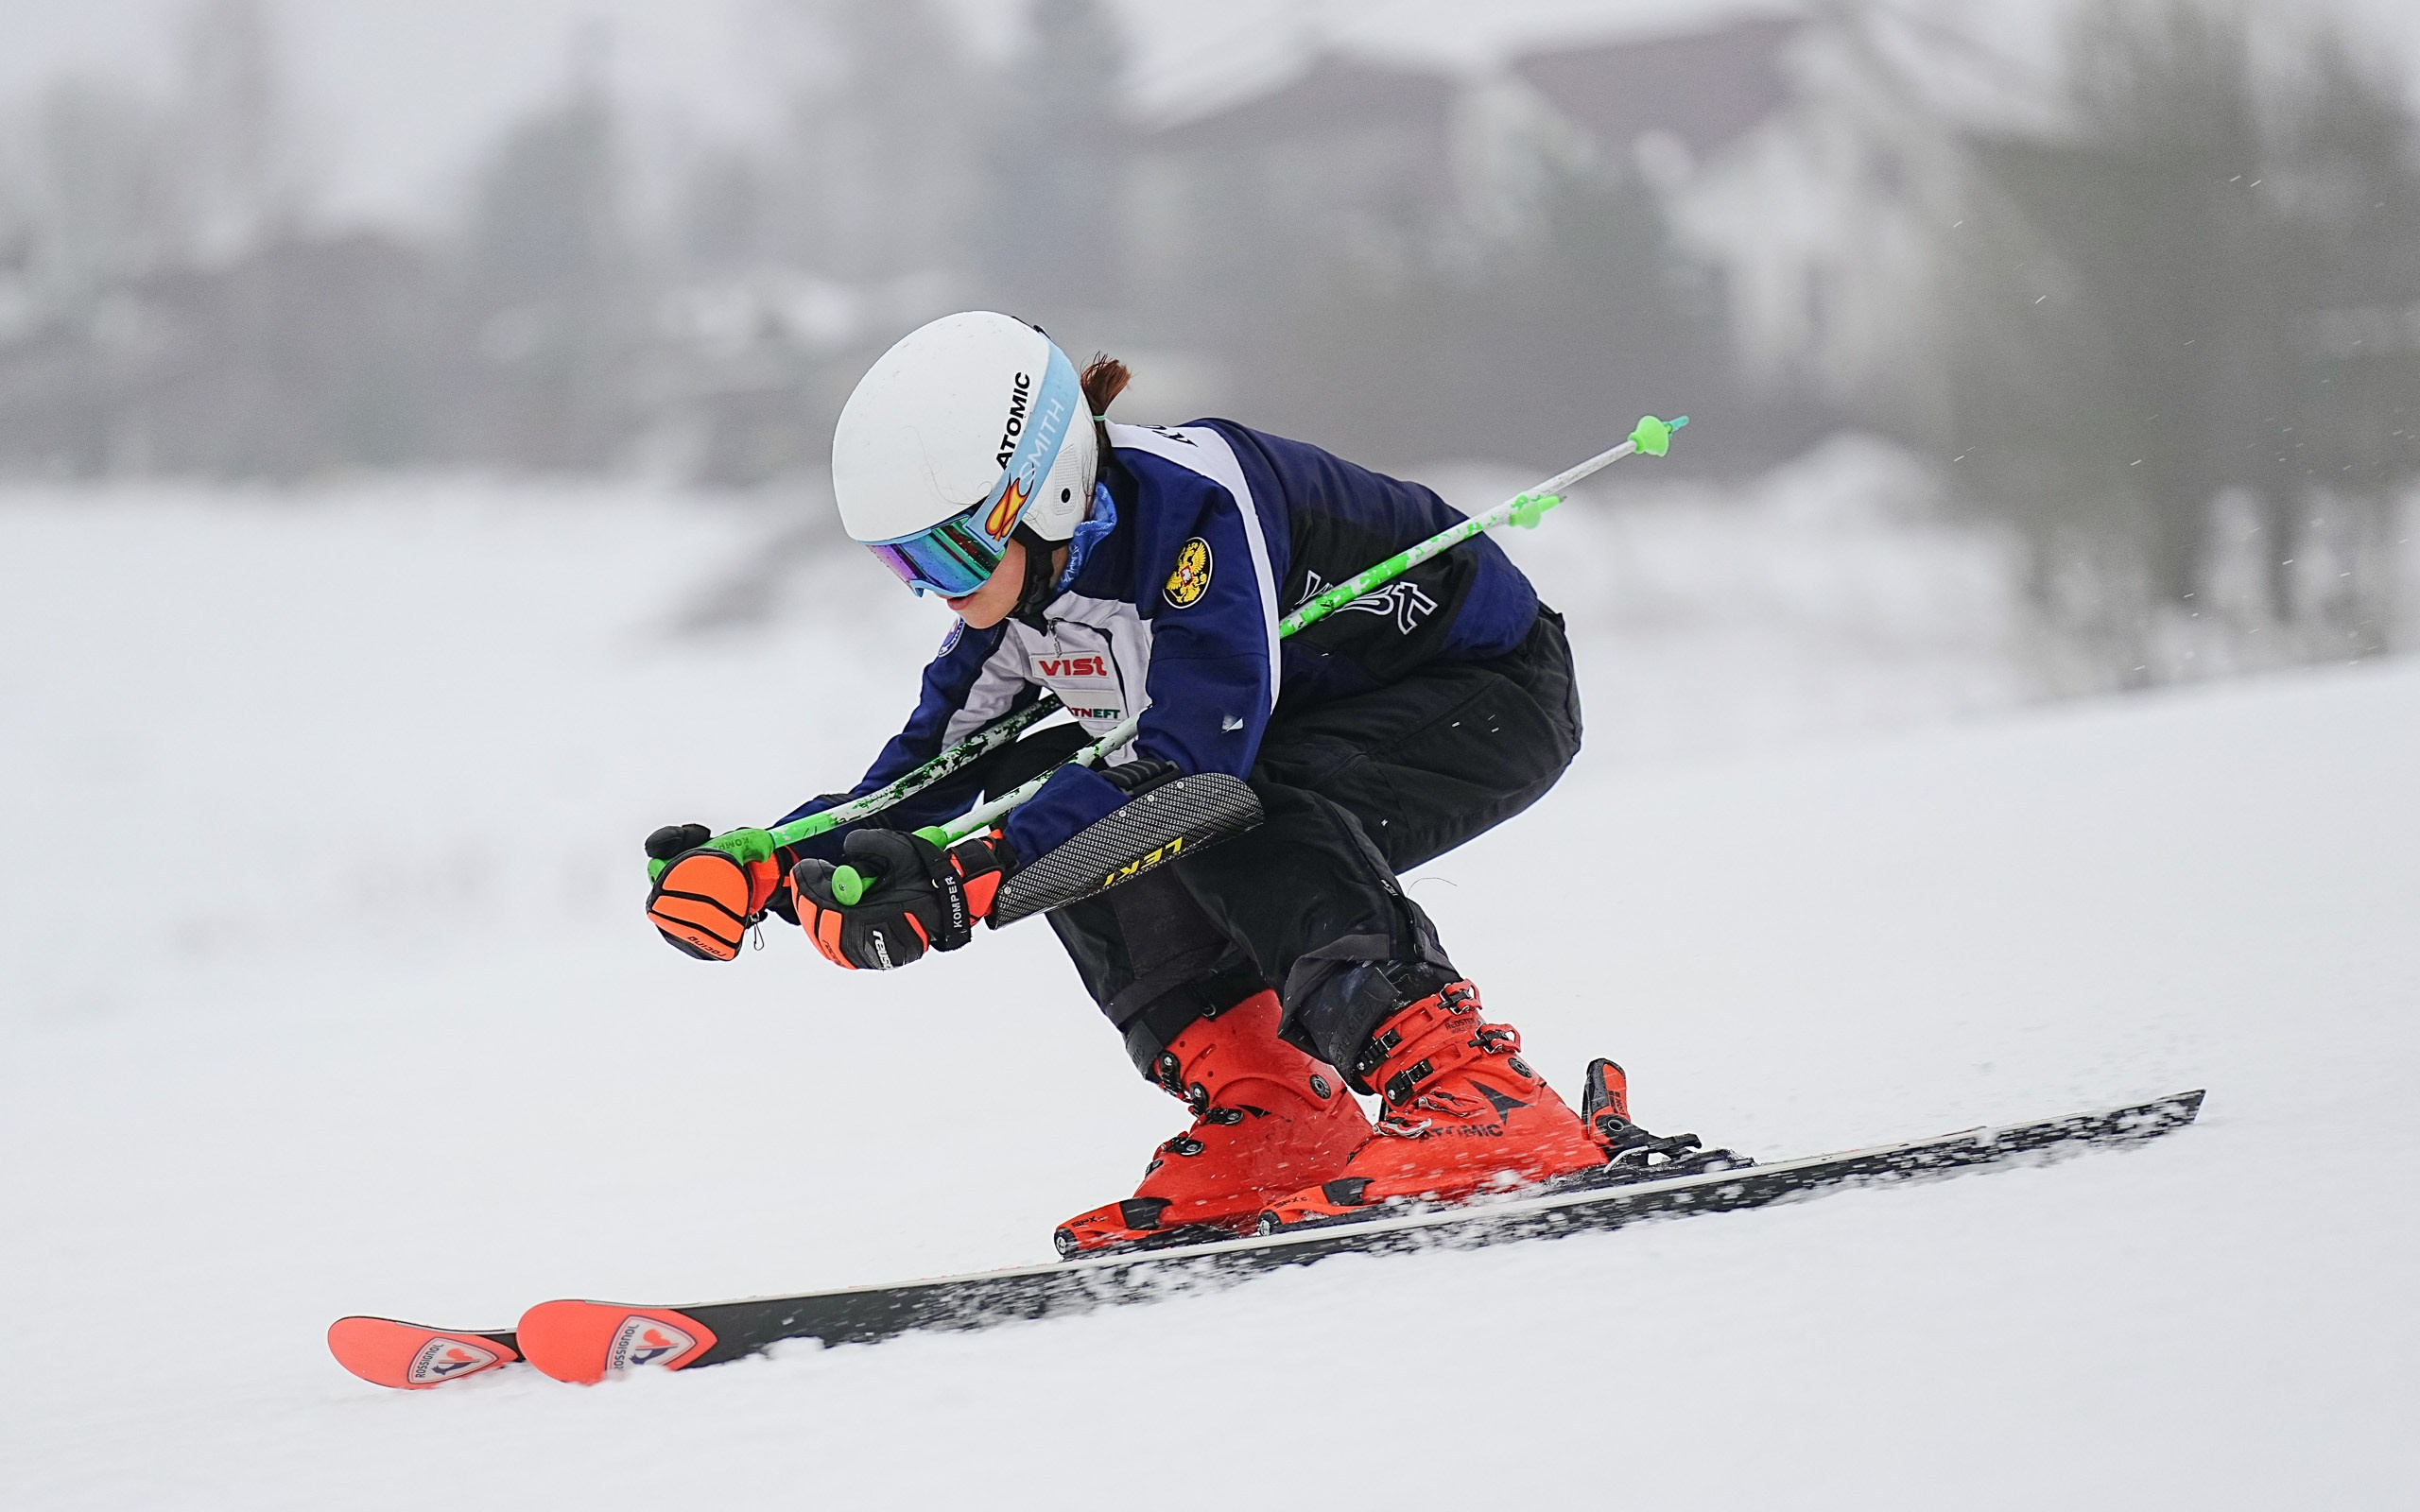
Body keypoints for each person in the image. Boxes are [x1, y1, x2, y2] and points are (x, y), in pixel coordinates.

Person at [648, 310, 1620, 1253]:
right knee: (1052, 785)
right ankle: (1278, 1110)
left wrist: (969, 877)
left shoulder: (1196, 512)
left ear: (1043, 494)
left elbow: (1198, 763)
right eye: (904, 564)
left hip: (1490, 691)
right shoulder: (1019, 597)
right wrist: (770, 865)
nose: (937, 589)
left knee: (1220, 806)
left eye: (948, 550)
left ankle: (1475, 1091)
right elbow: (920, 778)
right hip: (1305, 723)